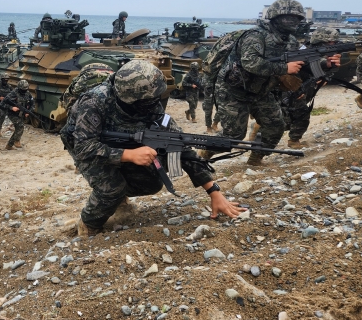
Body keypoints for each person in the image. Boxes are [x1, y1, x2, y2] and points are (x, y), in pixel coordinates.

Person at [61, 60, 241, 236]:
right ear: (134, 100)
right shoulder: (94, 102)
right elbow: (83, 146)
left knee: (151, 182)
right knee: (112, 188)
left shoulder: (151, 106)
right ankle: (88, 226)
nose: (157, 103)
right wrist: (129, 155)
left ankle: (117, 200)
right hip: (86, 145)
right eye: (152, 99)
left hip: (122, 143)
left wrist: (213, 190)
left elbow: (181, 147)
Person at [212, 0, 339, 166]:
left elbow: (303, 64)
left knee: (275, 127)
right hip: (233, 90)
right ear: (274, 18)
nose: (293, 21)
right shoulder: (256, 36)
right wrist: (284, 69)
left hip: (262, 91)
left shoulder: (291, 41)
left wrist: (325, 64)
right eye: (288, 17)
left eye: (297, 18)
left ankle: (254, 161)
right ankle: (204, 153)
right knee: (234, 135)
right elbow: (251, 63)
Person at [280, 27, 340, 148]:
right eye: (329, 42)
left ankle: (260, 127)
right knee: (300, 115)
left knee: (288, 117)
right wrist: (296, 90)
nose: (332, 45)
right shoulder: (303, 51)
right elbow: (292, 71)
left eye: (334, 43)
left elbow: (321, 67)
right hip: (291, 88)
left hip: (305, 87)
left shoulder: (317, 52)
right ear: (319, 41)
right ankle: (294, 141)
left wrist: (328, 70)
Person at [0, 80, 34, 150]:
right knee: (20, 126)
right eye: (23, 89)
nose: (24, 91)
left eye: (26, 89)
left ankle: (9, 145)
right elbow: (2, 104)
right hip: (12, 113)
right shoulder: (13, 94)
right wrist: (12, 107)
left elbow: (32, 104)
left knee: (18, 129)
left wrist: (29, 112)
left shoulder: (28, 93)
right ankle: (16, 141)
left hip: (21, 113)